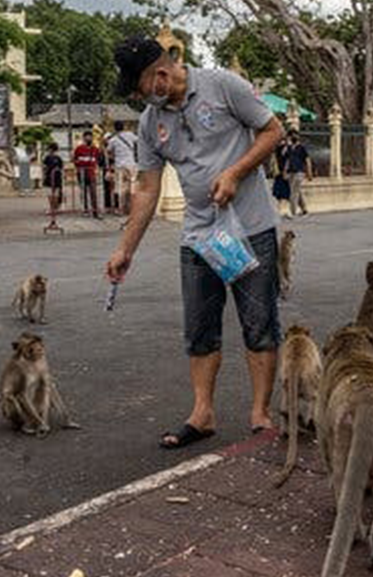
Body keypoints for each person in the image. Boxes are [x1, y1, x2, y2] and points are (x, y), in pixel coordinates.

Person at [106, 35, 284, 448]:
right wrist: (125, 249)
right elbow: (147, 189)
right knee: (200, 330)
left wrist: (236, 173)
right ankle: (202, 413)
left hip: (251, 228)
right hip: (200, 237)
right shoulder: (151, 122)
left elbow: (272, 131)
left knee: (259, 324)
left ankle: (260, 412)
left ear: (161, 74)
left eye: (139, 87)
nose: (137, 97)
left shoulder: (223, 86)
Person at [107, 121, 139, 215]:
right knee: (132, 187)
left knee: (120, 188)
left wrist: (114, 156)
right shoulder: (130, 135)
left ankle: (120, 209)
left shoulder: (113, 139)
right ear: (124, 127)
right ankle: (132, 208)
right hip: (131, 164)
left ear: (115, 128)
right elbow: (139, 141)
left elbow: (109, 151)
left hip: (119, 165)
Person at [281, 130, 313, 216]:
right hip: (291, 172)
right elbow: (286, 159)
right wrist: (284, 171)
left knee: (293, 192)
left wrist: (309, 172)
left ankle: (292, 212)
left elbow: (307, 160)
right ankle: (304, 210)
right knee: (298, 191)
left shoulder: (302, 147)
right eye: (291, 136)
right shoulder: (289, 148)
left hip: (299, 172)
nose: (293, 137)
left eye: (294, 135)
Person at [73, 130, 102, 219]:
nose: (89, 138)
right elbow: (75, 160)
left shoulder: (95, 149)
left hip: (91, 173)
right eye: (87, 136)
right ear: (84, 138)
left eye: (90, 136)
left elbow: (98, 160)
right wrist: (79, 165)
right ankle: (85, 209)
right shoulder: (79, 148)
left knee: (93, 192)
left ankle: (95, 211)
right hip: (81, 173)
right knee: (84, 192)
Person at [43, 142, 65, 219]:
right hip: (54, 178)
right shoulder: (55, 158)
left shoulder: (51, 158)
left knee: (53, 194)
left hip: (53, 178)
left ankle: (53, 208)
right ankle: (54, 208)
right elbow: (61, 168)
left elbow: (45, 168)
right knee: (53, 194)